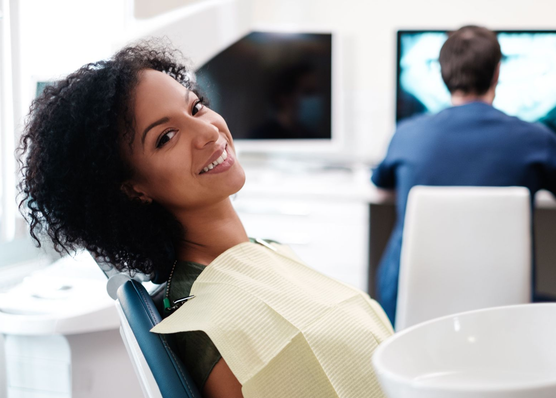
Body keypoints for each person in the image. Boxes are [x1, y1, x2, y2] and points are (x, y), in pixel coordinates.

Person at [19, 41, 392, 398]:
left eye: (195, 108)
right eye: (166, 137)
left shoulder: (263, 252)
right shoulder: (207, 327)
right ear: (132, 188)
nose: (209, 131)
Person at [372, 25, 556, 323]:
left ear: (442, 73)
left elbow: (381, 189)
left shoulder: (406, 135)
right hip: (496, 311)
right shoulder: (535, 138)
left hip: (405, 308)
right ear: (498, 72)